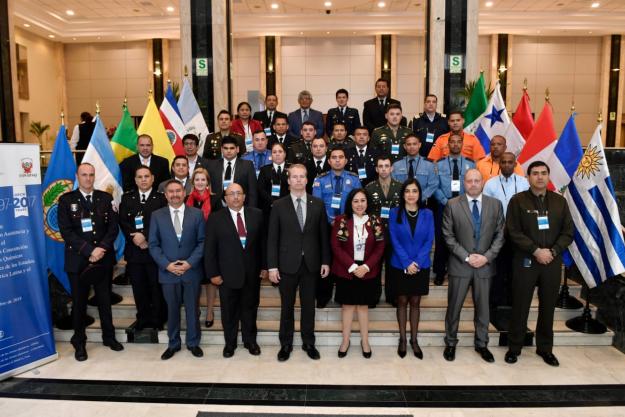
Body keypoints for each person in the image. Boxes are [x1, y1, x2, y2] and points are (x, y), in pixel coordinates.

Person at [505, 161, 574, 367]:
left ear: (549, 176)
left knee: (548, 308)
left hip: (551, 262)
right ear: (528, 177)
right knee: (520, 305)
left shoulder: (559, 202)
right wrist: (535, 250)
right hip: (526, 260)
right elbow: (513, 231)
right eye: (535, 173)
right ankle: (514, 347)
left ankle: (545, 349)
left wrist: (552, 251)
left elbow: (568, 232)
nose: (540, 177)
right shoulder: (517, 201)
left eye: (544, 173)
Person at [57, 163, 124, 361]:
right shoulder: (66, 200)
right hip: (78, 261)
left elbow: (113, 227)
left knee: (104, 301)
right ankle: (79, 342)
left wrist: (100, 249)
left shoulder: (105, 198)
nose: (88, 178)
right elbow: (66, 231)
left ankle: (109, 337)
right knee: (79, 304)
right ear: (77, 176)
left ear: (95, 177)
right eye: (84, 175)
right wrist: (89, 250)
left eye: (91, 175)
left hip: (103, 260)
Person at [267, 164, 331, 362]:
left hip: (311, 264)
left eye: (302, 176)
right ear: (288, 181)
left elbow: (323, 236)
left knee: (308, 306)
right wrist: (272, 266)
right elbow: (272, 238)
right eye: (294, 177)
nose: (298, 180)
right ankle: (286, 344)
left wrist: (325, 261)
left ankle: (308, 342)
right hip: (286, 265)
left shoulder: (318, 204)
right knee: (287, 306)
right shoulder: (278, 205)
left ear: (307, 180)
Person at [442, 169, 505, 363]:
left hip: (485, 266)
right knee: (454, 307)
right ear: (464, 183)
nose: (473, 184)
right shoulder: (452, 205)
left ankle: (482, 344)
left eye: (477, 180)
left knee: (483, 308)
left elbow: (500, 235)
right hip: (460, 265)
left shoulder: (495, 205)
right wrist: (467, 257)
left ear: (483, 182)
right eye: (469, 181)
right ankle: (451, 343)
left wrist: (486, 257)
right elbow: (448, 236)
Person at [204, 183, 266, 358]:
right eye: (231, 194)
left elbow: (263, 243)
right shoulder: (215, 218)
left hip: (252, 274)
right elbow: (210, 249)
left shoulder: (257, 215)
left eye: (239, 193)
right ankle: (230, 344)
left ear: (245, 196)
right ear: (225, 198)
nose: (236, 197)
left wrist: (264, 266)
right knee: (229, 311)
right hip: (226, 275)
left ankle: (250, 341)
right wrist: (213, 273)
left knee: (250, 309)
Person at [149, 180, 206, 360]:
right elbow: (153, 244)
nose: (175, 194)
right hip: (168, 272)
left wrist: (189, 263)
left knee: (192, 309)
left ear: (184, 193)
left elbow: (202, 242)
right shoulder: (157, 215)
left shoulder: (196, 214)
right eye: (171, 192)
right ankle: (173, 343)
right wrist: (167, 265)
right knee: (172, 310)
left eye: (178, 191)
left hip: (191, 271)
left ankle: (193, 342)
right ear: (165, 195)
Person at [331, 189, 385, 358]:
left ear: (367, 202)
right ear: (350, 203)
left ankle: (365, 341)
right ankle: (345, 341)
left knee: (363, 307)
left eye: (362, 201)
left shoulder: (376, 221)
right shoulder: (341, 220)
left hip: (368, 270)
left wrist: (366, 266)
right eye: (356, 201)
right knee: (347, 307)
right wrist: (353, 267)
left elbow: (380, 246)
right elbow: (336, 246)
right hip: (347, 269)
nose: (359, 204)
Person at [388, 179, 434, 359]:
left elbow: (429, 240)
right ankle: (402, 339)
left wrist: (417, 262)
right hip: (400, 264)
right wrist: (407, 262)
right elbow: (394, 239)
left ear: (419, 194)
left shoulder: (428, 213)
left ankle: (414, 340)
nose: (411, 194)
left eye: (414, 191)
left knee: (415, 302)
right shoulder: (394, 213)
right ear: (403, 194)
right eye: (407, 191)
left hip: (421, 265)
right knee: (401, 302)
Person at [119, 166, 168, 331]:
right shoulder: (127, 198)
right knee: (139, 288)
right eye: (139, 177)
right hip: (134, 252)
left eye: (146, 176)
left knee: (156, 287)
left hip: (154, 252)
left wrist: (145, 236)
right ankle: (142, 318)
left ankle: (157, 319)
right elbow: (123, 222)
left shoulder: (161, 198)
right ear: (135, 180)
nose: (143, 180)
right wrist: (136, 239)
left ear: (153, 178)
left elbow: (163, 222)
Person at [312, 147, 361, 307]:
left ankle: (343, 297)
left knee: (344, 261)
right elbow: (317, 205)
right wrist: (331, 221)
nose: (338, 160)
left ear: (346, 161)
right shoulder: (320, 179)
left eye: (341, 157)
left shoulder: (354, 179)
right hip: (325, 226)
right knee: (324, 260)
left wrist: (342, 221)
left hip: (348, 225)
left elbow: (358, 201)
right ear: (329, 160)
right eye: (334, 157)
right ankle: (323, 297)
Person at [483, 152, 530, 310]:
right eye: (503, 162)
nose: (507, 165)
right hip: (498, 231)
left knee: (515, 268)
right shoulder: (491, 184)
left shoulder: (524, 183)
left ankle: (512, 299)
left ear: (515, 164)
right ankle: (495, 299)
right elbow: (486, 208)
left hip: (519, 232)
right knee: (498, 267)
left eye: (510, 162)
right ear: (499, 164)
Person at [432, 133, 476, 286]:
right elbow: (435, 186)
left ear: (462, 144)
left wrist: (462, 203)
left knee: (464, 240)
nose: (456, 144)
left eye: (459, 142)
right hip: (443, 206)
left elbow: (473, 186)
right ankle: (439, 271)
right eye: (453, 142)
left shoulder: (471, 164)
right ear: (448, 144)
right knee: (442, 239)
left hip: (464, 207)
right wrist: (447, 202)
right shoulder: (438, 164)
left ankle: (463, 270)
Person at [185, 168, 222, 329]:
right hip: (191, 247)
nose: (200, 183)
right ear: (193, 183)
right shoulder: (186, 199)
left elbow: (220, 223)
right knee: (194, 280)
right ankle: (196, 309)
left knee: (209, 280)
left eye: (203, 180)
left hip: (210, 246)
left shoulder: (215, 200)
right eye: (197, 180)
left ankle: (209, 311)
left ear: (208, 182)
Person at [366, 155, 402, 306]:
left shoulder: (400, 187)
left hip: (395, 233)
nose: (384, 169)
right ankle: (373, 297)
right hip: (376, 234)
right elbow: (366, 212)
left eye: (386, 166)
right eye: (380, 166)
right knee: (374, 267)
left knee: (392, 267)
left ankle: (391, 297)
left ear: (391, 168)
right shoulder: (369, 187)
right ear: (376, 169)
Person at [206, 136, 258, 206]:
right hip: (217, 208)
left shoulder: (247, 165)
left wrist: (251, 211)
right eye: (225, 148)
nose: (229, 151)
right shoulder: (211, 165)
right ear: (221, 149)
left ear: (237, 149)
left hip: (241, 207)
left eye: (232, 148)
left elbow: (253, 191)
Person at [391, 134, 438, 203]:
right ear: (405, 146)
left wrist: (420, 198)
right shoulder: (396, 165)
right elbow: (393, 185)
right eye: (409, 144)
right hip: (401, 202)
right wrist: (403, 198)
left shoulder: (429, 165)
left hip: (422, 203)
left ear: (419, 145)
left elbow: (433, 184)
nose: (412, 147)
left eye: (414, 144)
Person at [257, 142, 290, 223]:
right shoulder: (264, 170)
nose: (277, 154)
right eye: (274, 152)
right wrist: (273, 202)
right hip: (269, 208)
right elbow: (261, 189)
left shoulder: (291, 169)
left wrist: (283, 203)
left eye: (280, 151)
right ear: (271, 155)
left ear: (285, 154)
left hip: (288, 207)